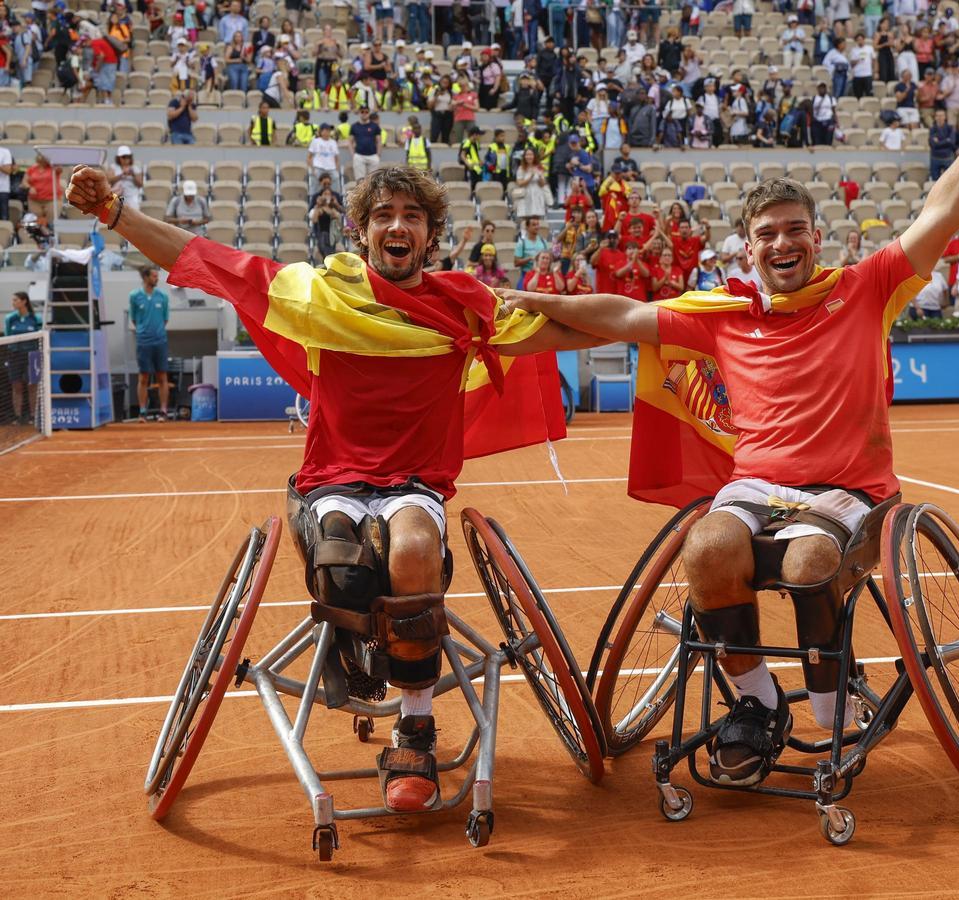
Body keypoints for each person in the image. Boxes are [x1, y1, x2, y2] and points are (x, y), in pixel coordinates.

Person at [498, 59, 959, 784]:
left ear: (818, 238)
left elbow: (945, 209)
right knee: (707, 548)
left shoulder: (867, 288)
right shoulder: (723, 316)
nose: (782, 244)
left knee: (813, 560)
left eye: (794, 231)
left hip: (854, 493)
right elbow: (621, 317)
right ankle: (755, 706)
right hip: (758, 487)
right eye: (766, 235)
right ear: (747, 250)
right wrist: (522, 303)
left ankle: (824, 698)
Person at [66, 162, 595, 814]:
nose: (397, 226)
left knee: (410, 552)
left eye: (412, 216)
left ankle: (415, 726)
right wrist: (116, 213)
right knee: (342, 559)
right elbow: (206, 258)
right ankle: (361, 645)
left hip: (413, 484)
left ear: (431, 235)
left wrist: (675, 322)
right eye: (383, 215)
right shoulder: (320, 294)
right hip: (334, 482)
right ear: (362, 230)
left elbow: (568, 329)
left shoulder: (466, 306)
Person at [128, 266, 171, 422]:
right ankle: (142, 411)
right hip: (143, 341)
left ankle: (163, 411)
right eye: (154, 276)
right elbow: (134, 319)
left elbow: (165, 319)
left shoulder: (163, 296)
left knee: (162, 376)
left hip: (160, 341)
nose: (157, 278)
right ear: (146, 277)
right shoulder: (134, 296)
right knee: (143, 377)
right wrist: (143, 330)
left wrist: (156, 331)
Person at [4, 291, 41, 425]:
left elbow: (40, 338)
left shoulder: (36, 318)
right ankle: (18, 417)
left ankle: (33, 416)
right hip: (15, 355)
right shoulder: (10, 319)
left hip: (32, 355)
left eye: (15, 300)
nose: (13, 303)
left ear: (24, 301)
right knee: (17, 386)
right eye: (13, 300)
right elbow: (7, 337)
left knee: (32, 385)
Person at [22, 152, 62, 220]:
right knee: (36, 222)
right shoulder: (32, 169)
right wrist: (29, 188)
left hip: (52, 200)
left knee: (51, 222)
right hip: (34, 200)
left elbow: (60, 168)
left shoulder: (54, 168)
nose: (42, 158)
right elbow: (24, 182)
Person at [309, 185, 344, 259]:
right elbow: (314, 219)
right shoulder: (319, 208)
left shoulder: (333, 209)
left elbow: (338, 218)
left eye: (329, 194)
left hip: (332, 236)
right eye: (325, 194)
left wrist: (335, 203)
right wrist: (318, 205)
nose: (327, 196)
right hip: (322, 236)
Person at [348, 106, 382, 181]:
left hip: (373, 155)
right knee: (360, 180)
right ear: (359, 113)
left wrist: (378, 154)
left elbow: (379, 141)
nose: (364, 113)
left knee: (373, 181)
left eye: (366, 112)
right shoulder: (354, 126)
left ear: (369, 113)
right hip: (359, 156)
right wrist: (353, 155)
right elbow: (350, 141)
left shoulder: (375, 126)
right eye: (362, 112)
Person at [108, 146, 143, 213]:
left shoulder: (135, 168)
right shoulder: (113, 167)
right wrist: (121, 175)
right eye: (124, 157)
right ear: (119, 158)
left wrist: (133, 175)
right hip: (116, 196)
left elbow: (140, 184)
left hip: (131, 196)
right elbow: (109, 180)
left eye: (128, 157)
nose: (126, 159)